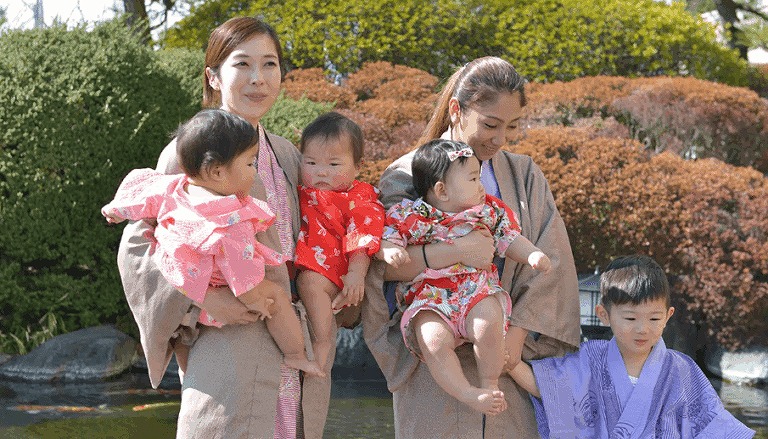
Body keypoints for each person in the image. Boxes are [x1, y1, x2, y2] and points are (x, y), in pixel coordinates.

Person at [116, 17, 334, 438]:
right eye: (242, 64)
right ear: (213, 77)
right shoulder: (192, 151)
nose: (258, 78)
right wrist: (206, 297)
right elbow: (138, 249)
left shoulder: (287, 153)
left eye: (269, 64)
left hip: (289, 328)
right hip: (227, 335)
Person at [361, 56, 581, 437]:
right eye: (490, 124)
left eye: (511, 127)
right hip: (432, 365)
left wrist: (513, 338)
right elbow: (384, 266)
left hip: (506, 357)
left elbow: (551, 257)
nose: (499, 139)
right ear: (456, 110)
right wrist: (458, 252)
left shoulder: (524, 174)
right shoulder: (408, 174)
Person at [103, 109, 323, 377]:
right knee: (276, 296)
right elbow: (242, 276)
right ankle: (296, 356)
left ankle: (186, 373)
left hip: (184, 280)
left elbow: (139, 195)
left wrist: (114, 211)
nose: (253, 171)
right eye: (250, 164)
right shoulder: (229, 219)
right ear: (218, 172)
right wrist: (255, 300)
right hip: (220, 284)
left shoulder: (172, 188)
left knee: (186, 342)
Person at [382, 138, 551, 415]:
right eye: (473, 179)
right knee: (431, 338)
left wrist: (532, 254)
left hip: (477, 291)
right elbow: (390, 235)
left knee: (488, 323)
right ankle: (466, 392)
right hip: (431, 298)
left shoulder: (487, 212)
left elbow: (510, 237)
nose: (481, 186)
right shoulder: (412, 215)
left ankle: (490, 384)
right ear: (441, 190)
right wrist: (390, 249)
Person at [509, 254, 755, 438]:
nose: (642, 329)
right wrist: (509, 363)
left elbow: (714, 426)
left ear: (668, 316)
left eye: (654, 319)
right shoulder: (591, 358)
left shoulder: (682, 369)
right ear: (604, 315)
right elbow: (548, 386)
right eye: (630, 318)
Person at [294, 111, 401, 368]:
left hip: (335, 270)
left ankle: (323, 344)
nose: (321, 172)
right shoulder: (300, 191)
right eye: (311, 163)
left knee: (310, 283)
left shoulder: (358, 197)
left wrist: (355, 274)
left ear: (357, 166)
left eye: (333, 165)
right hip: (309, 264)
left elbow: (362, 234)